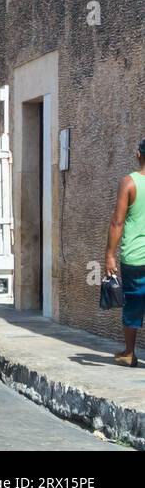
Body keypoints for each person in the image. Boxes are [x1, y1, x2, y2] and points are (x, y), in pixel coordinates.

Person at [105, 140, 145, 366]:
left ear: (138, 154)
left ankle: (129, 353)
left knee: (134, 302)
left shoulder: (129, 183)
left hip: (135, 256)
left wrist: (109, 255)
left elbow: (117, 223)